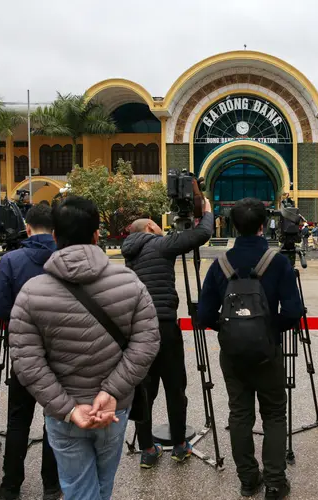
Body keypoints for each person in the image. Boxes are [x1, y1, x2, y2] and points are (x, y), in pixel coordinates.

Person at [9, 196, 160, 500]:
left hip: (64, 413)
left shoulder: (31, 293)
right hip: (113, 409)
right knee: (102, 485)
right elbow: (147, 341)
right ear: (96, 234)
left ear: (54, 236)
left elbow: (27, 363)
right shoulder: (130, 282)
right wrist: (111, 391)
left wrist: (67, 408)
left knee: (78, 489)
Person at [198, 198, 303, 500]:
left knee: (239, 414)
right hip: (268, 354)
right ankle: (274, 482)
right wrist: (269, 330)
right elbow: (294, 312)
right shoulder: (278, 262)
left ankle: (247, 479)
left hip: (232, 355)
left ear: (233, 225)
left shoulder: (220, 265)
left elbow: (204, 316)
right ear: (262, 226)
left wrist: (229, 330)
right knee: (273, 414)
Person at [122, 198, 214, 468]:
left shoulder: (130, 253)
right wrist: (206, 211)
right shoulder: (159, 244)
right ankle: (179, 445)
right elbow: (202, 234)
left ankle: (147, 449)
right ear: (150, 227)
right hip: (163, 326)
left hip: (137, 331)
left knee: (144, 391)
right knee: (175, 387)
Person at [0, 205, 61, 500]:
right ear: (55, 231)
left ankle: (10, 486)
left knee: (18, 420)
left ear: (27, 227)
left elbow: (0, 307)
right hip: (59, 351)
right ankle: (51, 485)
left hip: (22, 351)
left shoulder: (11, 260)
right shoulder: (62, 258)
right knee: (54, 420)